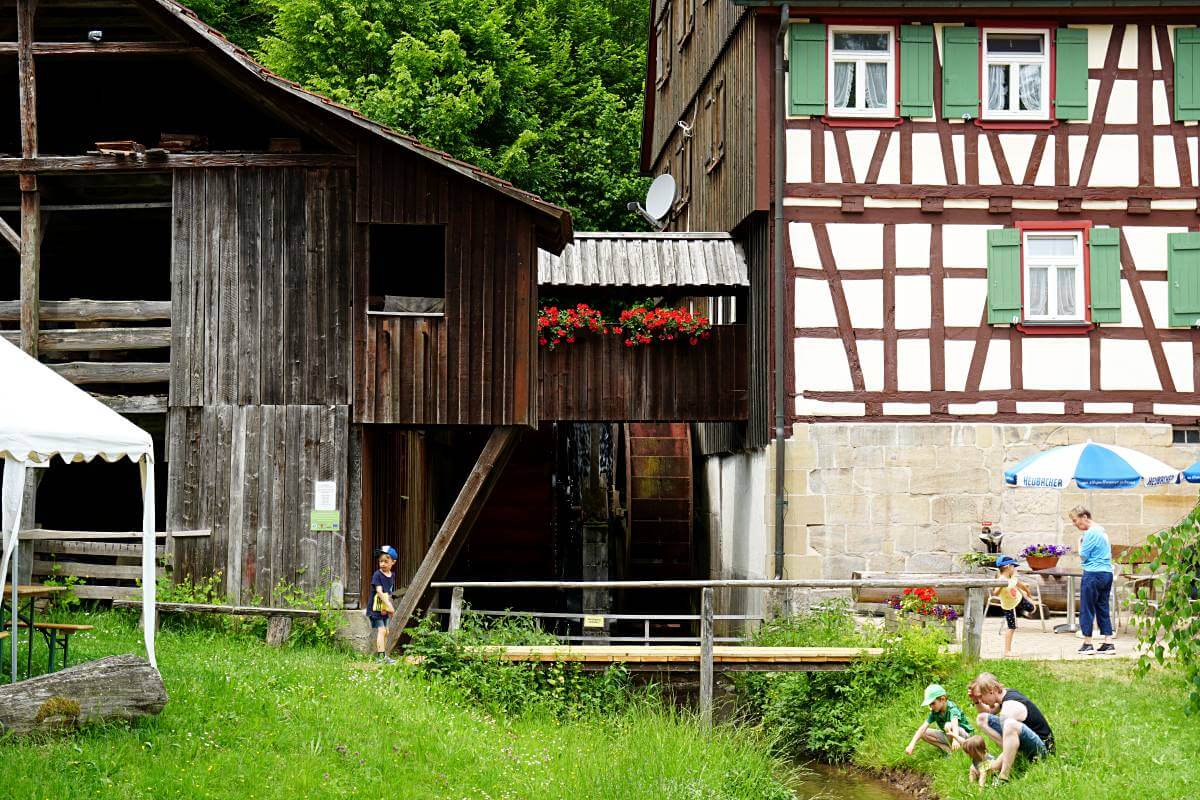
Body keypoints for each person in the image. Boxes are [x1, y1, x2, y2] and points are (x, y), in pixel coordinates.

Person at [971, 672, 1055, 785]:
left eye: (980, 696)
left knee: (1009, 724)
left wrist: (991, 766)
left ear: (991, 690)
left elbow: (1007, 737)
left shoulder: (1010, 706)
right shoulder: (1004, 695)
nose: (980, 700)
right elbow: (988, 712)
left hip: (1043, 750)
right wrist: (976, 701)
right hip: (1025, 741)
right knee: (982, 718)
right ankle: (1012, 755)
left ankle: (1003, 777)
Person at [1069, 505, 1115, 654]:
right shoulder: (1102, 531)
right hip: (1107, 573)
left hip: (1093, 574)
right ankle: (1108, 643)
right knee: (1102, 607)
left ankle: (1087, 643)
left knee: (1087, 608)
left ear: (1084, 517)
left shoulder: (1090, 533)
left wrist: (1079, 541)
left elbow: (1083, 555)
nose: (1075, 524)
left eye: (1075, 520)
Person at [905, 683, 975, 756]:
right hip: (950, 735)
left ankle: (963, 749)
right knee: (924, 733)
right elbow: (922, 728)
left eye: (933, 703)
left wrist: (955, 739)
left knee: (949, 725)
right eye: (930, 705)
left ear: (942, 699)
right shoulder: (935, 712)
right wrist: (911, 744)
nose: (931, 707)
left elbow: (955, 723)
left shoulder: (952, 709)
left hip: (964, 736)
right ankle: (948, 750)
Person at [993, 555, 1037, 657]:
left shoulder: (1012, 577)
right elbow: (995, 593)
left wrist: (1029, 595)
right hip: (1008, 606)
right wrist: (1000, 586)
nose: (1014, 569)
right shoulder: (1001, 580)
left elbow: (1021, 586)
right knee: (1011, 627)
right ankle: (1007, 651)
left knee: (1033, 609)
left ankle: (1030, 604)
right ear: (1008, 566)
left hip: (1019, 599)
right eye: (1013, 566)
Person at [367, 546, 398, 663]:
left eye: (386, 561)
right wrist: (389, 605)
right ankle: (380, 657)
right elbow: (379, 592)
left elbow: (388, 593)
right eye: (381, 561)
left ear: (393, 562)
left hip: (384, 606)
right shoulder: (377, 575)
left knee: (387, 631)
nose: (383, 564)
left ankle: (384, 656)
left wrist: (389, 606)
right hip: (375, 607)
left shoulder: (392, 575)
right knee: (382, 630)